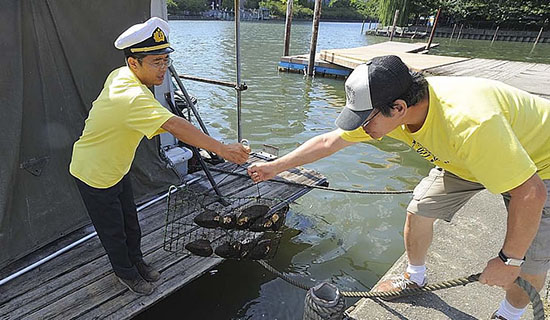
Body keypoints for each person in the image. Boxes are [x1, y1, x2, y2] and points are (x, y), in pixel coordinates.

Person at [248, 55, 550, 320]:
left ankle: (509, 315)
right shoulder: (396, 112)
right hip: (464, 160)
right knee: (419, 209)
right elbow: (329, 141)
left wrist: (508, 260)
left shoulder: (469, 123)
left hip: (539, 164)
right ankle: (414, 277)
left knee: (529, 259)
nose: (360, 129)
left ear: (398, 107)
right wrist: (275, 167)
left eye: (364, 121)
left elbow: (531, 193)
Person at [70, 17, 250, 295]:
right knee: (113, 230)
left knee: (130, 221)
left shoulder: (120, 74)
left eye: (166, 60)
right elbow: (174, 124)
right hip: (93, 172)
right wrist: (223, 149)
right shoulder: (130, 95)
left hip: (117, 166)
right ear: (134, 63)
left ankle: (137, 261)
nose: (163, 68)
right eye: (156, 62)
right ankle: (126, 272)